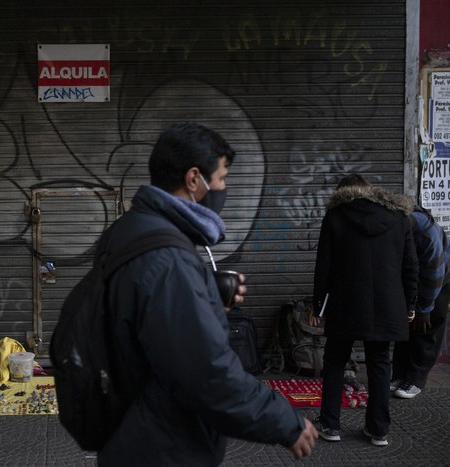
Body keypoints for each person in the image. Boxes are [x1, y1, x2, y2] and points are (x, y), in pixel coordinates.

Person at [98, 122, 318, 465]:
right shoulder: (170, 259)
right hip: (165, 445)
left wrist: (204, 299)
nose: (224, 188)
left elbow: (145, 321)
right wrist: (285, 421)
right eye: (221, 178)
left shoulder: (127, 229)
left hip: (126, 428)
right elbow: (208, 372)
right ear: (193, 179)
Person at [312, 174, 418, 447]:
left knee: (335, 362)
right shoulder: (399, 218)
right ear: (370, 190)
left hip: (345, 304)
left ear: (342, 193)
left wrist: (318, 305)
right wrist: (411, 304)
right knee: (381, 364)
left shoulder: (335, 217)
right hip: (387, 305)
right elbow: (410, 265)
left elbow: (324, 266)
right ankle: (378, 430)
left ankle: (330, 425)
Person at [391, 205, 450, 399]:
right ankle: (399, 374)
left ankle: (416, 378)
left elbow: (434, 275)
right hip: (412, 276)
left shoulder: (427, 235)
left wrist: (424, 308)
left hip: (440, 278)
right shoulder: (396, 226)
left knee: (427, 324)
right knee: (405, 324)